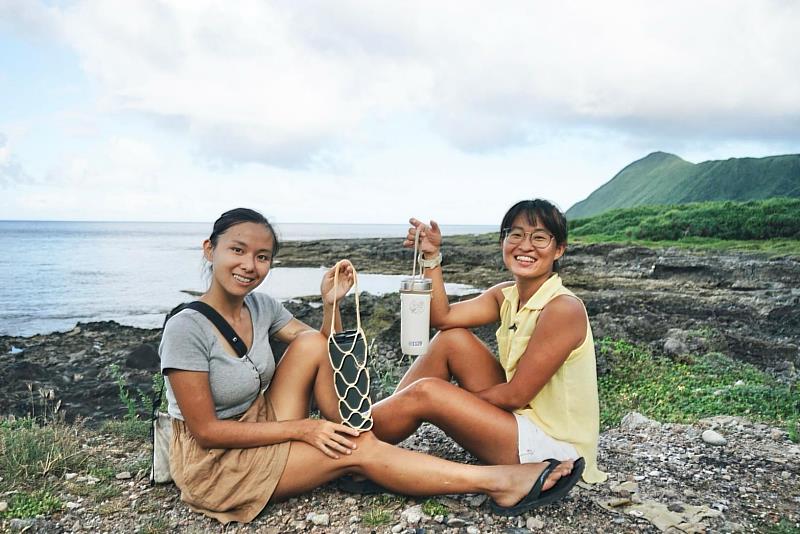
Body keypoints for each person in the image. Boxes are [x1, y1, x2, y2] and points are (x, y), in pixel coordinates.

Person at [159, 207, 582, 524]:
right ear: (209, 249)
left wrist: (332, 306)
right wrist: (306, 428)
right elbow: (208, 433)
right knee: (359, 446)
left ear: (558, 249)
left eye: (263, 256)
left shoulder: (260, 306)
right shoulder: (186, 328)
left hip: (262, 427)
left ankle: (369, 437)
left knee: (310, 345)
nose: (250, 266)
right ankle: (499, 481)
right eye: (238, 251)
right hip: (218, 463)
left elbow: (324, 349)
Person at [371, 199, 607, 485]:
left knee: (427, 392)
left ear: (559, 249)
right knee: (452, 339)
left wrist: (445, 401)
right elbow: (443, 318)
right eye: (516, 234)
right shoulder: (506, 295)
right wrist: (432, 257)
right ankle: (372, 428)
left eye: (540, 238)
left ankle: (351, 439)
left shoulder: (563, 308)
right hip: (521, 422)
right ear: (503, 241)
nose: (525, 245)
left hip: (558, 452)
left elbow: (515, 396)